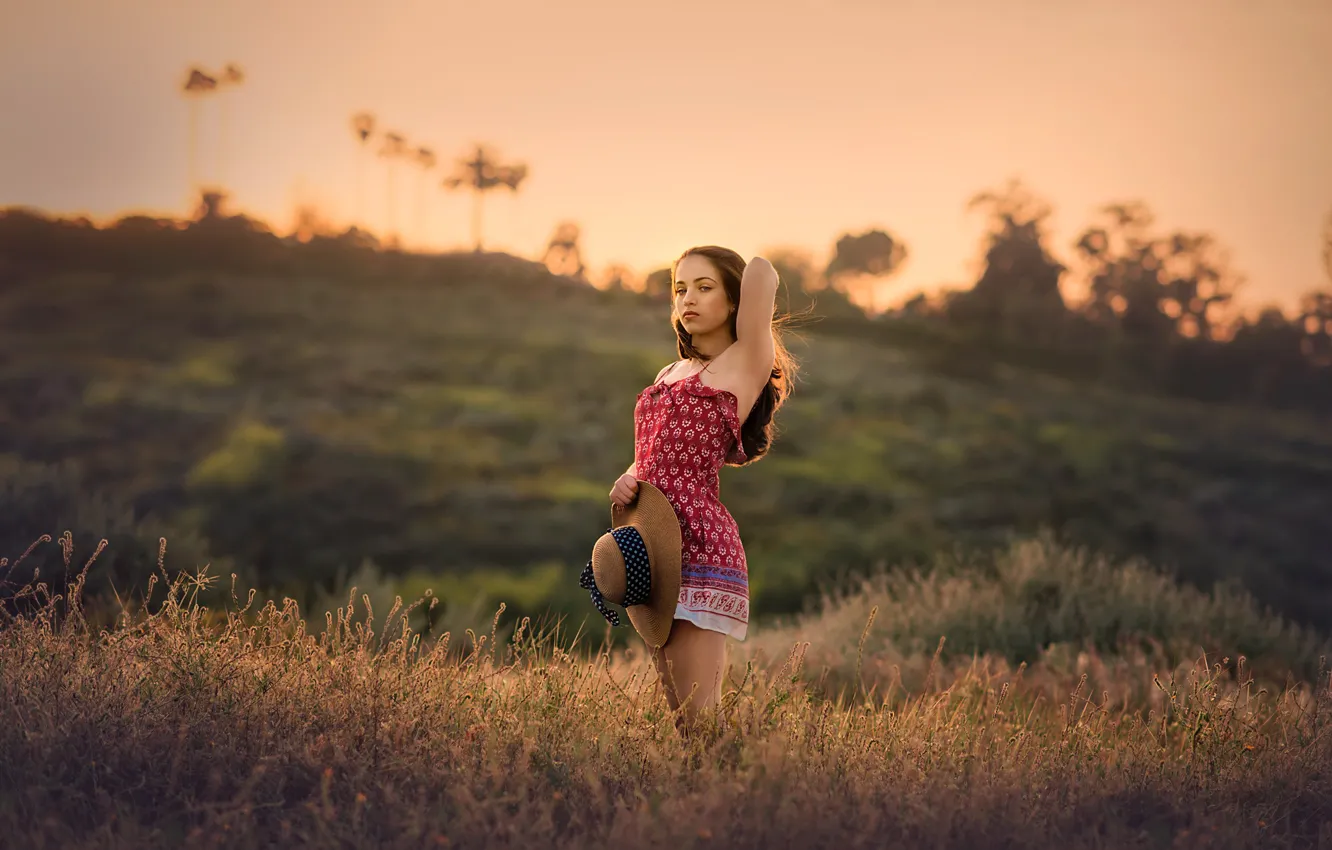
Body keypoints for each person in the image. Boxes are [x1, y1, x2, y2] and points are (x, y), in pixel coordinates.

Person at [608, 245, 797, 734]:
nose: (687, 299)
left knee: (700, 719)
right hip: (652, 541)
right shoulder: (668, 374)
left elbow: (760, 272)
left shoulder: (745, 361)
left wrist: (732, 271)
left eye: (704, 287)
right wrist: (629, 475)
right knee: (681, 722)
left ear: (734, 301)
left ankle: (735, 799)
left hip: (699, 543)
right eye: (679, 289)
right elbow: (653, 453)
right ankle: (707, 801)